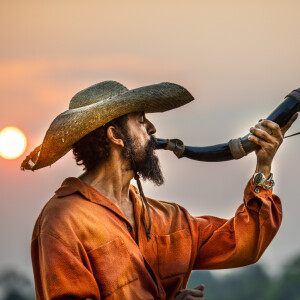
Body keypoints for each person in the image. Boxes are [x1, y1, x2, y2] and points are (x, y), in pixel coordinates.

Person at [22, 81, 297, 300]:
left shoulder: (167, 218)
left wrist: (264, 165)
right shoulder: (63, 221)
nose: (152, 128)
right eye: (141, 121)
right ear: (116, 136)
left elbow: (243, 244)